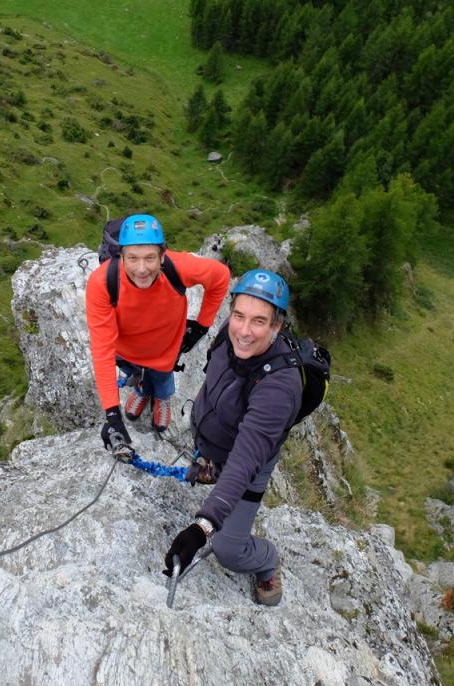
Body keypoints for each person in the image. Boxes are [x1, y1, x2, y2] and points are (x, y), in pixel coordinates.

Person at [163, 269, 302, 606]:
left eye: (258, 321)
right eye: (239, 315)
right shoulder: (230, 332)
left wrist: (203, 527)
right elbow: (214, 381)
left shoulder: (279, 387)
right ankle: (211, 461)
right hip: (215, 439)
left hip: (249, 460)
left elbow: (243, 463)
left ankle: (267, 559)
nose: (244, 330)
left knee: (227, 549)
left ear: (276, 326)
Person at [85, 214, 229, 444]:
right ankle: (142, 392)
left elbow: (220, 277)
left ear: (163, 256)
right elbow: (101, 349)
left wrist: (202, 325)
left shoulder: (178, 267)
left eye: (150, 258)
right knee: (136, 376)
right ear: (120, 257)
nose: (141, 269)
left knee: (163, 379)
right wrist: (112, 415)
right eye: (132, 258)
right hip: (124, 352)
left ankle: (162, 399)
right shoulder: (102, 283)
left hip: (165, 350)